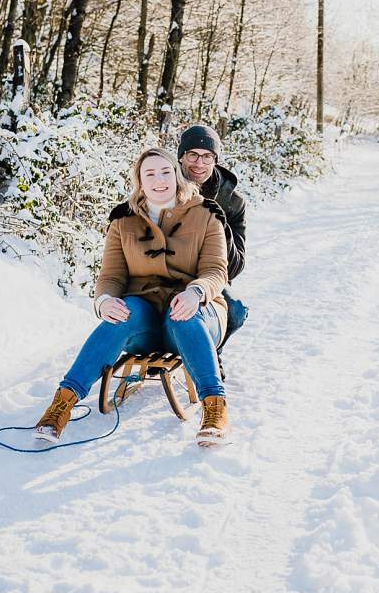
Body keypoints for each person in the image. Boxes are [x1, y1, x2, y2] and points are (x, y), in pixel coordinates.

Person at [33, 147, 231, 447]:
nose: (159, 179)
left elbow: (216, 270)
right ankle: (61, 405)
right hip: (146, 317)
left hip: (198, 311)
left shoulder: (206, 214)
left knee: (185, 316)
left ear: (177, 174)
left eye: (165, 171)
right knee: (123, 313)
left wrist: (196, 292)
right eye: (149, 173)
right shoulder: (123, 220)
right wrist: (104, 301)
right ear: (139, 181)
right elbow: (110, 277)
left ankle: (215, 409)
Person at [176, 125, 248, 341]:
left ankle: (213, 350)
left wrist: (219, 223)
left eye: (207, 157)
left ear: (215, 160)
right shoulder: (163, 185)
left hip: (209, 276)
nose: (199, 164)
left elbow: (235, 268)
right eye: (193, 155)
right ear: (181, 157)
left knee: (236, 310)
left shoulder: (233, 203)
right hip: (165, 271)